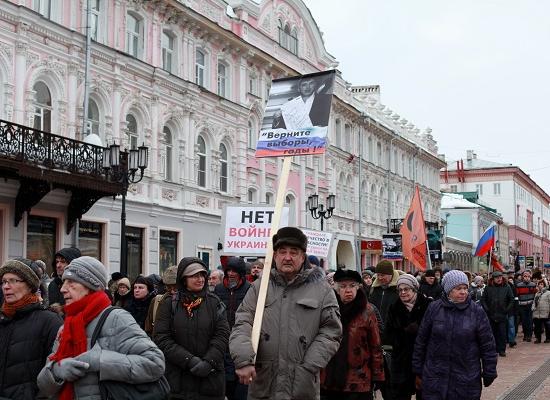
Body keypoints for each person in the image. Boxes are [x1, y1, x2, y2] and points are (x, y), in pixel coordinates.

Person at [229, 227, 342, 400]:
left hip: (301, 385)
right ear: (275, 256)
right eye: (282, 252)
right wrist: (244, 359)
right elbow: (243, 323)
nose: (287, 257)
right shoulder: (260, 287)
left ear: (302, 257)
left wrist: (309, 365)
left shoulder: (322, 289)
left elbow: (331, 331)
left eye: (294, 252)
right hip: (264, 383)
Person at [37, 256, 165, 399]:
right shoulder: (66, 326)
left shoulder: (116, 319)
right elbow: (44, 387)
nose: (63, 289)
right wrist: (56, 371)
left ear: (90, 287)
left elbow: (155, 363)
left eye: (71, 282)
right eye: (64, 282)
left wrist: (100, 361)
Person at [412, 270, 497, 400]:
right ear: (448, 290)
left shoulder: (476, 311)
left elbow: (487, 344)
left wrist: (489, 370)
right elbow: (421, 340)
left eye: (465, 288)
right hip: (436, 377)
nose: (463, 292)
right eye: (458, 288)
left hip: (466, 378)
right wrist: (417, 369)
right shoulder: (434, 308)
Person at [154, 257, 229, 400]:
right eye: (194, 276)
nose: (200, 279)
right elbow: (161, 338)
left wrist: (209, 362)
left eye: (202, 275)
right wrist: (190, 360)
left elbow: (223, 335)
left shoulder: (215, 303)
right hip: (177, 382)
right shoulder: (169, 304)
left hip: (210, 381)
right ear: (183, 279)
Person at [0, 259, 63, 399]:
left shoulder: (50, 321)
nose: (6, 286)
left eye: (13, 281)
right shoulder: (3, 318)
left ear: (30, 285)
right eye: (4, 281)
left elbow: (55, 375)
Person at [321, 268, 384, 400]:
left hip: (359, 380)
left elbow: (376, 345)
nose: (348, 290)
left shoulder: (367, 311)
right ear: (336, 289)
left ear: (358, 287)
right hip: (330, 379)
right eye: (343, 286)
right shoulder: (328, 309)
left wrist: (378, 375)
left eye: (352, 286)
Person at [385, 274, 431, 400]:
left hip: (424, 360)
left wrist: (419, 330)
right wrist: (403, 333)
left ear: (414, 289)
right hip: (401, 361)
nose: (403, 292)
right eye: (400, 290)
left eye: (406, 289)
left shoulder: (428, 305)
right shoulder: (394, 308)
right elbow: (388, 334)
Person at [214, 257, 252, 400]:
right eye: (228, 270)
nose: (230, 274)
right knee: (225, 380)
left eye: (234, 271)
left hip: (241, 339)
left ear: (241, 273)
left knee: (240, 384)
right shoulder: (218, 289)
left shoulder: (250, 288)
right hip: (223, 339)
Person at [481, 270, 514, 357]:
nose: (499, 279)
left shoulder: (507, 287)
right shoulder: (488, 287)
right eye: (497, 277)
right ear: (493, 279)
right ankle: (493, 349)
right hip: (491, 314)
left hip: (502, 314)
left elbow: (511, 299)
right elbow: (483, 300)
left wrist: (507, 309)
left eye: (500, 277)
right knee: (492, 333)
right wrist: (487, 309)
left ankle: (502, 350)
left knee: (502, 333)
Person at [145, 265, 178, 336]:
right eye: (169, 287)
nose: (172, 291)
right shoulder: (156, 301)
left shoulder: (190, 303)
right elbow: (148, 330)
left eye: (176, 288)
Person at [48, 247, 81, 313]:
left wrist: (62, 309)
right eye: (57, 262)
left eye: (63, 261)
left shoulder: (81, 284)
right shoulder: (53, 284)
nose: (58, 265)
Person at [516, 269, 537, 341]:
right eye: (525, 276)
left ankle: (529, 336)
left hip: (530, 305)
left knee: (530, 321)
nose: (526, 277)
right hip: (522, 305)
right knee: (524, 321)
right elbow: (517, 295)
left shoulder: (533, 285)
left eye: (528, 276)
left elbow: (535, 295)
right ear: (523, 277)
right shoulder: (519, 285)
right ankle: (525, 335)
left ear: (530, 277)